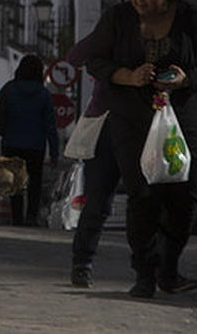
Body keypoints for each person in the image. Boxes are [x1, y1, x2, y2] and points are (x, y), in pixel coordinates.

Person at [83, 0, 197, 298]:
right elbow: (94, 60)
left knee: (187, 192)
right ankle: (144, 274)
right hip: (131, 119)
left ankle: (169, 266)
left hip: (182, 119)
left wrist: (186, 78)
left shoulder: (192, 18)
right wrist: (128, 76)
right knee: (142, 195)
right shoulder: (117, 18)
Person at [66, 27, 118, 288]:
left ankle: (149, 267)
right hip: (105, 123)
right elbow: (75, 56)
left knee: (146, 200)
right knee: (98, 200)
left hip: (143, 124)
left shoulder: (161, 33)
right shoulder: (111, 31)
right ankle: (82, 263)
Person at [0, 53, 59, 226]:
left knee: (15, 182)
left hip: (11, 144)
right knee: (35, 182)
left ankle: (17, 217)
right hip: (35, 146)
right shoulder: (44, 95)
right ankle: (31, 216)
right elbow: (50, 126)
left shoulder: (9, 90)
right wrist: (54, 152)